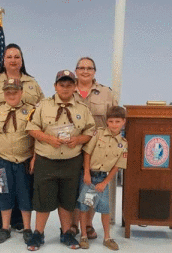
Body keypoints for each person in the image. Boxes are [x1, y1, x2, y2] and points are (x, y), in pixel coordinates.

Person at [26, 70, 96, 251]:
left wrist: (78, 140)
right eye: (61, 85)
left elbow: (90, 131)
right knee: (43, 198)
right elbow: (32, 128)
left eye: (69, 85)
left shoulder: (82, 108)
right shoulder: (43, 106)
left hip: (71, 161)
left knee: (67, 199)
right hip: (46, 160)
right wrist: (48, 139)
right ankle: (38, 234)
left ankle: (66, 233)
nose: (65, 88)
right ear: (55, 86)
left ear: (74, 87)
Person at [0, 43, 44, 232]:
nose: (13, 60)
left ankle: (20, 223)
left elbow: (41, 110)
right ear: (3, 60)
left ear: (22, 60)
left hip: (24, 145)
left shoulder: (32, 83)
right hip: (0, 143)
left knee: (23, 188)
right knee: (1, 187)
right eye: (9, 57)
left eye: (17, 57)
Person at [71, 57, 118, 239]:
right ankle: (74, 224)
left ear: (95, 71)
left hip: (97, 151)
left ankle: (88, 224)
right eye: (81, 68)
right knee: (74, 187)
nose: (85, 71)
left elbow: (115, 120)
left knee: (90, 186)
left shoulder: (106, 93)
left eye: (89, 68)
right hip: (72, 148)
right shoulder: (67, 90)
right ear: (76, 71)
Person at [0, 78, 35, 244]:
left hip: (24, 162)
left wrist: (34, 158)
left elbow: (36, 138)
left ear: (21, 92)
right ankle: (5, 228)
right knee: (3, 194)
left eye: (15, 91)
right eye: (8, 92)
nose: (11, 95)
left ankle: (27, 228)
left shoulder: (32, 112)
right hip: (2, 161)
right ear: (4, 93)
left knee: (25, 195)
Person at [78, 106, 128, 250]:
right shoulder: (98, 134)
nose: (114, 124)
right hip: (90, 176)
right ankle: (83, 236)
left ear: (123, 122)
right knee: (85, 206)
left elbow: (117, 166)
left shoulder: (123, 143)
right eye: (111, 121)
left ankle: (107, 237)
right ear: (107, 122)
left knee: (105, 209)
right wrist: (86, 172)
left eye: (117, 121)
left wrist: (105, 183)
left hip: (102, 179)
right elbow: (87, 153)